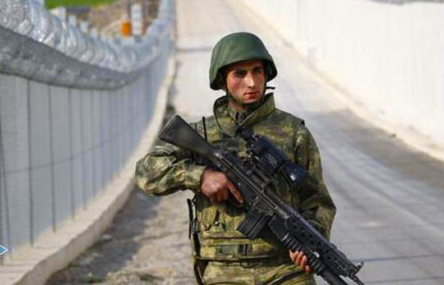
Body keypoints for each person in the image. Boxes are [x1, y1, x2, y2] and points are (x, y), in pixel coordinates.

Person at [135, 32, 336, 284]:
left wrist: (311, 239)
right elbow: (146, 172)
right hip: (223, 269)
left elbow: (318, 201)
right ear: (222, 81)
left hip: (286, 269)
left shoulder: (294, 132)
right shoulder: (202, 134)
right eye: (239, 74)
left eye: (257, 71)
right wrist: (200, 176)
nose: (251, 82)